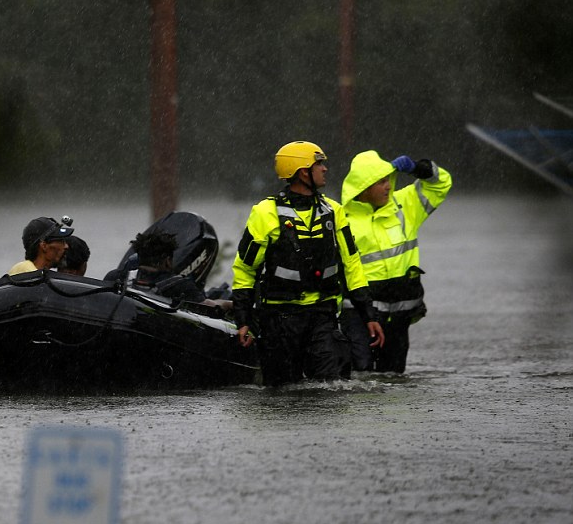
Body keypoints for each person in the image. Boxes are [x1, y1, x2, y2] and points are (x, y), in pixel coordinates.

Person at [231, 141, 385, 387]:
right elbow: (245, 269)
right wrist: (243, 320)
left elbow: (352, 265)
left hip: (322, 317)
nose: (325, 169)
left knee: (330, 388)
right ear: (304, 172)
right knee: (281, 392)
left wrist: (369, 315)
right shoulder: (266, 213)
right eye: (319, 164)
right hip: (279, 322)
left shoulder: (334, 211)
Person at [339, 150, 452, 373]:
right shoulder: (342, 219)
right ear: (365, 186)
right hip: (360, 314)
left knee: (393, 377)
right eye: (381, 182)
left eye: (388, 180)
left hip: (399, 313)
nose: (389, 186)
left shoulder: (404, 205)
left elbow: (442, 184)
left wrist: (416, 169)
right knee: (361, 375)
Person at [126, 231, 208, 303]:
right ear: (167, 261)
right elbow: (207, 306)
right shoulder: (181, 286)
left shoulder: (119, 277)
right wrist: (220, 304)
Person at [8, 217, 73, 275]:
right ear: (44, 246)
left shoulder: (38, 275)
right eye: (61, 241)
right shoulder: (26, 272)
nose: (66, 246)